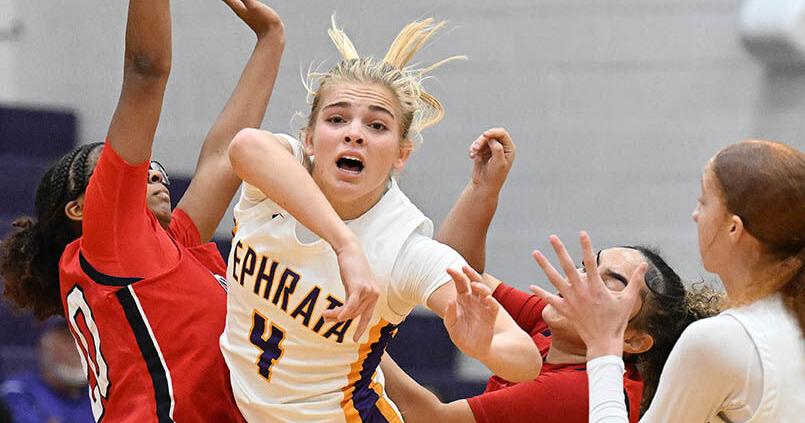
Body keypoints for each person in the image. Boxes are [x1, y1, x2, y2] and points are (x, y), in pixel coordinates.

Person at [223, 16, 541, 422]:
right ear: (309, 139)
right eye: (337, 119)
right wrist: (345, 244)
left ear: (401, 154)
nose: (354, 133)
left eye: (376, 125)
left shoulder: (404, 247)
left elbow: (527, 360)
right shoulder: (276, 177)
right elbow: (244, 144)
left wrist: (485, 347)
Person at [0, 0, 284, 420]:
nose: (151, 170)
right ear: (81, 210)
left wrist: (270, 39)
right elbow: (146, 71)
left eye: (153, 167)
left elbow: (227, 154)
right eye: (129, 173)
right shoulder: (112, 241)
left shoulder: (159, 253)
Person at [378, 135, 723, 423]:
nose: (582, 280)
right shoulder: (554, 328)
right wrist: (483, 188)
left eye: (608, 284)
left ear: (633, 342)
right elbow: (455, 269)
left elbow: (428, 417)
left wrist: (360, 340)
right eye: (589, 267)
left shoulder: (582, 390)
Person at [531, 140, 805, 422]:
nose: (695, 215)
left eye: (703, 202)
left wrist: (604, 344)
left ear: (733, 228)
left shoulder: (722, 338)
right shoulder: (783, 319)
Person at [0, 319, 93, 423]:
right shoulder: (17, 390)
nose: (77, 348)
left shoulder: (99, 392)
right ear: (43, 345)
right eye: (67, 338)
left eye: (83, 338)